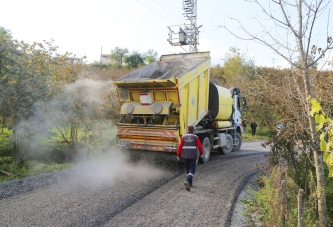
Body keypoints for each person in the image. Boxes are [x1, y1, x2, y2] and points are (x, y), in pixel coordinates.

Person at [177, 126, 203, 191]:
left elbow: (180, 147)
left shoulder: (183, 137)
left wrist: (179, 155)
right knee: (192, 170)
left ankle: (190, 183)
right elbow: (200, 147)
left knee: (188, 169)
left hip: (185, 156)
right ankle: (187, 180)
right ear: (193, 130)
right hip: (193, 156)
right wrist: (201, 154)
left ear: (187, 130)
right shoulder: (196, 137)